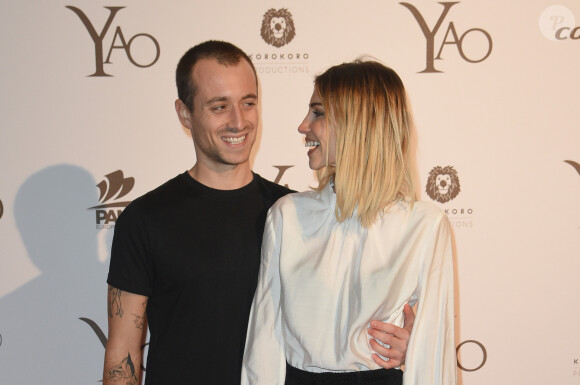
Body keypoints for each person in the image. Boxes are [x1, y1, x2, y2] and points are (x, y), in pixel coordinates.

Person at [102, 41, 414, 385]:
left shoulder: (297, 215)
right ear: (184, 113)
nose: (239, 121)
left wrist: (404, 345)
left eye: (248, 103)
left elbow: (342, 329)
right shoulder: (145, 220)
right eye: (219, 106)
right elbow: (122, 355)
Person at [242, 60, 456, 385]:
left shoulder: (425, 226)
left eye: (318, 112)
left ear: (358, 123)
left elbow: (432, 359)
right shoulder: (286, 216)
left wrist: (414, 349)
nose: (303, 126)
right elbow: (263, 342)